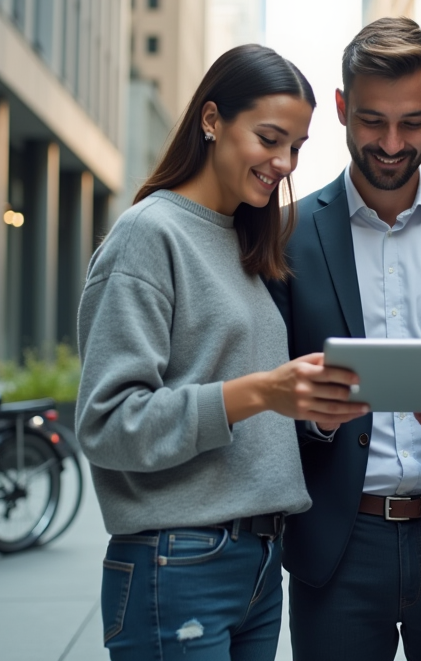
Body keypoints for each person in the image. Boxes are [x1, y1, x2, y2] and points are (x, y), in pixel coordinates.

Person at [75, 45, 369, 661]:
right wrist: (259, 392)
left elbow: (232, 399)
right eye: (269, 138)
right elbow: (107, 425)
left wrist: (307, 408)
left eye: (297, 146)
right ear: (211, 120)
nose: (284, 162)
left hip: (257, 561)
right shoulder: (149, 236)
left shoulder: (244, 242)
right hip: (177, 561)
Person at [267, 18, 421, 661]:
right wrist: (315, 420)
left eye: (412, 122)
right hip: (338, 548)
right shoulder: (285, 236)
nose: (393, 143)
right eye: (373, 121)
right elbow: (261, 392)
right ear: (343, 108)